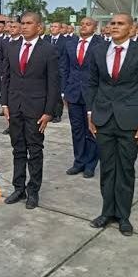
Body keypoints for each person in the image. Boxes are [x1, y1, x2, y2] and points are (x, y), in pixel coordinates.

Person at [86, 13, 138, 236]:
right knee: (107, 168)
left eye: (120, 23)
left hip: (130, 121)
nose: (115, 26)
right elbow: (90, 83)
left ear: (131, 28)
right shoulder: (98, 50)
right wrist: (91, 112)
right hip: (103, 119)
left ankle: (123, 216)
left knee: (125, 169)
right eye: (112, 23)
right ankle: (107, 212)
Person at [1, 12, 59, 209]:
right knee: (18, 148)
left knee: (34, 150)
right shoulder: (12, 47)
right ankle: (19, 188)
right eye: (22, 23)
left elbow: (53, 83)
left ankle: (33, 191)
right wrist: (5, 104)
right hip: (15, 106)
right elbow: (6, 77)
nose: (24, 27)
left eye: (29, 23)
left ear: (39, 27)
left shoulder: (48, 50)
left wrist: (48, 111)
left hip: (36, 108)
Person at [59, 17, 104, 178]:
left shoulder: (101, 45)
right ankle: (79, 162)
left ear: (95, 27)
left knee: (91, 130)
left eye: (88, 24)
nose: (84, 26)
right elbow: (64, 68)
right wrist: (63, 91)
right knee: (77, 130)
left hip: (92, 95)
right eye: (82, 24)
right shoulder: (70, 43)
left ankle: (90, 164)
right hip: (73, 93)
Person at [44, 22, 67, 122]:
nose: (53, 28)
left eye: (55, 27)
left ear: (60, 29)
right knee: (47, 93)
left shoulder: (65, 41)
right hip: (46, 70)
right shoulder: (45, 39)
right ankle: (49, 112)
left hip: (59, 71)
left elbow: (64, 57)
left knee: (57, 94)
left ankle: (57, 114)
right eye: (51, 26)